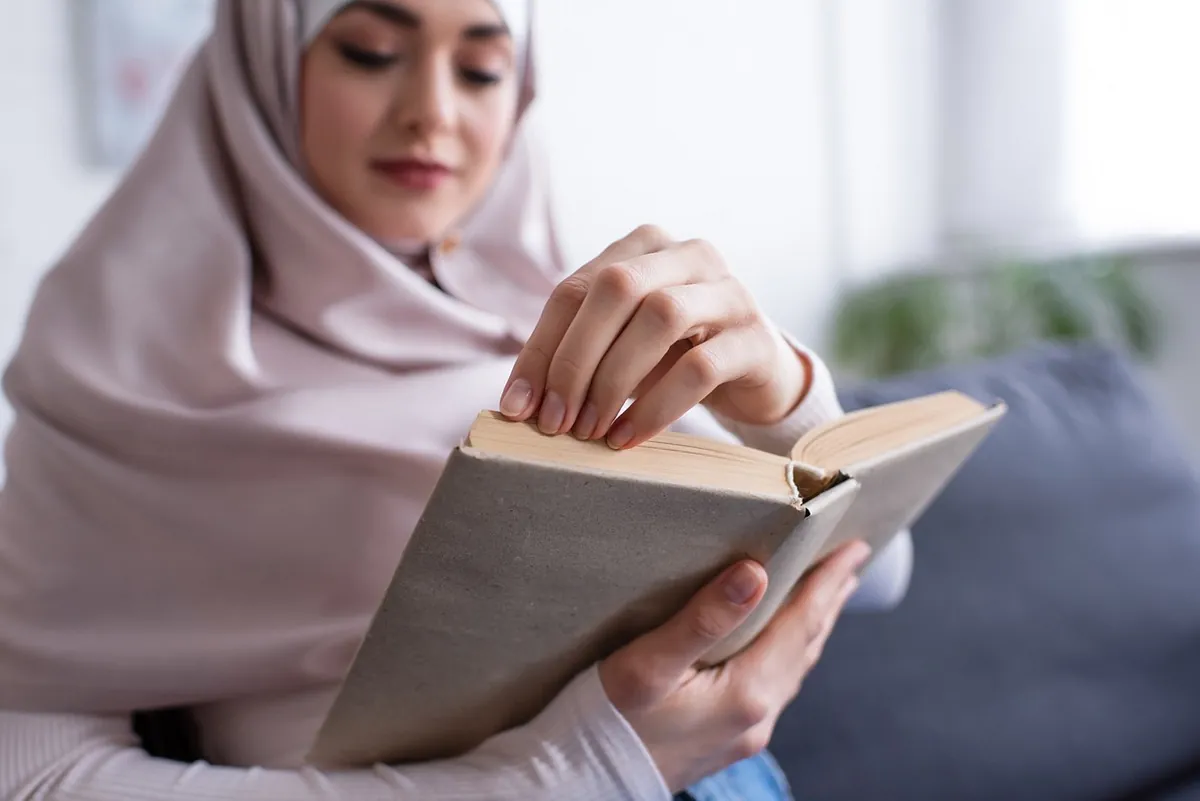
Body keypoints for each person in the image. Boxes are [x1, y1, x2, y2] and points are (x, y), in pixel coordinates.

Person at [0, 1, 912, 799]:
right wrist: (559, 779)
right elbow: (28, 767)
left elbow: (882, 573)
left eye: (482, 68)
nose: (432, 112)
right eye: (368, 51)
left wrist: (786, 401)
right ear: (265, 69)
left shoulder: (573, 323)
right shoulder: (120, 377)